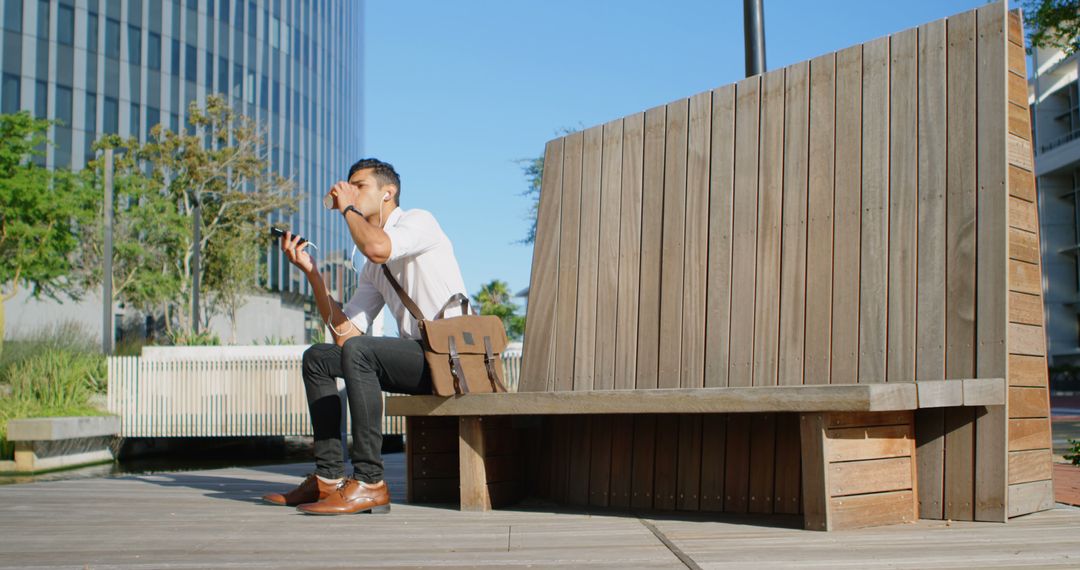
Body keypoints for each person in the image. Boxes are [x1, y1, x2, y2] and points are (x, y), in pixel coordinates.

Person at [262, 158, 468, 515]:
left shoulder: (419, 222)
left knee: (359, 351)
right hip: (419, 358)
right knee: (318, 357)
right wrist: (314, 276)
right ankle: (328, 479)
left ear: (388, 193)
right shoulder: (373, 267)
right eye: (348, 185)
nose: (350, 191)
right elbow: (346, 335)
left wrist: (348, 209)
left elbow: (379, 246)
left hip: (452, 359)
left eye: (360, 186)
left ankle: (370, 482)